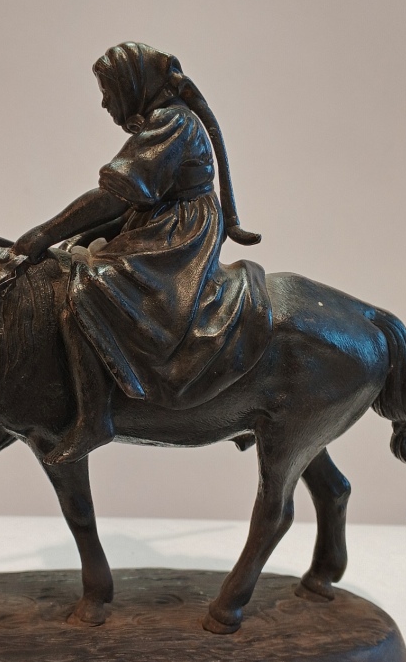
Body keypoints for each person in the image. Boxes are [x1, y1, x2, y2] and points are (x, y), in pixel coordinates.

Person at [13, 42, 261, 465]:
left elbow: (116, 194)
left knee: (87, 292)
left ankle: (95, 418)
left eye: (108, 92)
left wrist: (43, 233)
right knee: (75, 255)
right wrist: (69, 238)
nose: (105, 103)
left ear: (133, 86)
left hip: (178, 233)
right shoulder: (166, 120)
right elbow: (131, 200)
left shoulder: (172, 122)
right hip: (158, 219)